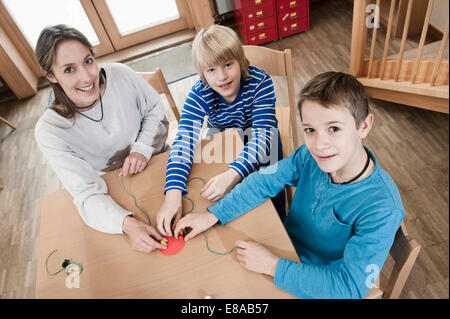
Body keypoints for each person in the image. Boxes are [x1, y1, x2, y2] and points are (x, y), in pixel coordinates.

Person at [173, 72, 405, 299]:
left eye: (334, 128)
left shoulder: (382, 208)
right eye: (309, 130)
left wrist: (273, 265)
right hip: (283, 246)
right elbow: (264, 179)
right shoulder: (309, 156)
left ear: (364, 126)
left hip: (319, 280)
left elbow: (348, 289)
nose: (319, 144)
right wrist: (214, 214)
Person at [34, 24, 168, 253]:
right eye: (69, 69)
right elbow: (86, 193)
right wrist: (127, 225)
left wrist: (142, 148)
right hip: (117, 188)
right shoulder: (50, 130)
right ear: (50, 76)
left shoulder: (121, 74)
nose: (88, 77)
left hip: (162, 162)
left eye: (88, 61)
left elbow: (155, 111)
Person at [156, 24, 285, 237]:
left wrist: (234, 173)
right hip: (224, 134)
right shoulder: (199, 93)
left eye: (228, 65)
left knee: (271, 175)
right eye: (211, 70)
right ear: (202, 73)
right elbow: (183, 142)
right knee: (216, 177)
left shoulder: (260, 82)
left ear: (240, 62)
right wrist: (172, 195)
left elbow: (263, 138)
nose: (222, 76)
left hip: (262, 134)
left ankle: (279, 218)